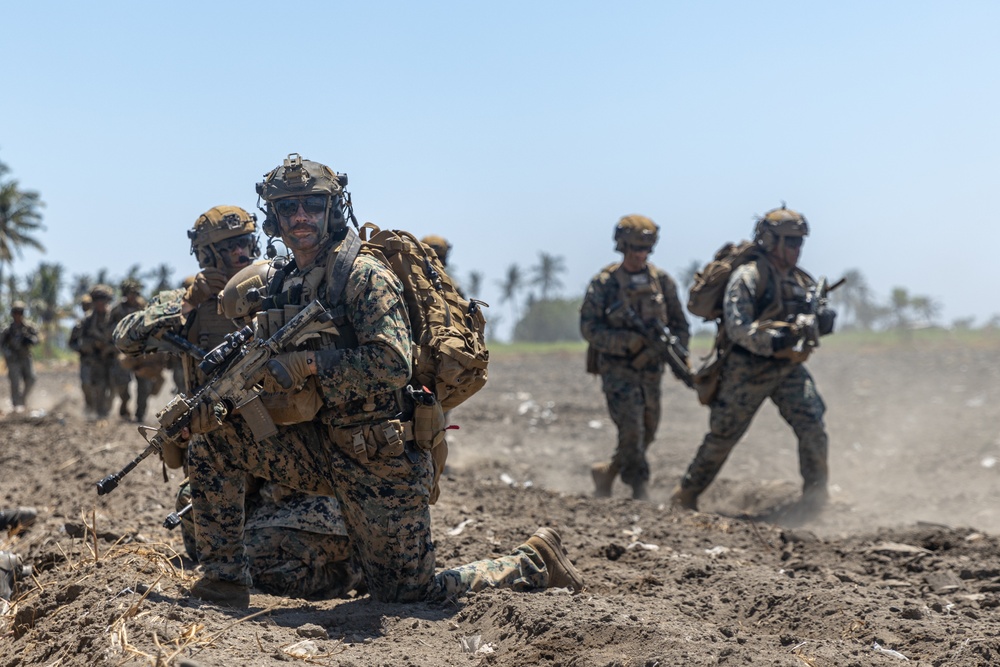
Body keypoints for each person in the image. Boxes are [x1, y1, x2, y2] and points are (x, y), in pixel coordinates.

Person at [174, 154, 582, 608]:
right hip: (319, 447)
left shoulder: (364, 275)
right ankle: (224, 581)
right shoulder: (285, 280)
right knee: (214, 437)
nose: (301, 217)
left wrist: (310, 364)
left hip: (379, 457)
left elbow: (391, 363)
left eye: (312, 204)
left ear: (333, 208)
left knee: (411, 596)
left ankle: (532, 562)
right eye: (288, 208)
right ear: (274, 216)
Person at [114, 204, 361, 599]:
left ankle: (353, 568)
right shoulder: (185, 302)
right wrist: (188, 306)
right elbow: (125, 337)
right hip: (226, 460)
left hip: (288, 460)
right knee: (195, 519)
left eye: (247, 243)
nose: (244, 255)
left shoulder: (280, 285)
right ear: (207, 256)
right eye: (231, 249)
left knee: (267, 559)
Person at [671, 205, 834, 512]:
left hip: (788, 366)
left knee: (812, 425)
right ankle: (686, 493)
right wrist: (777, 338)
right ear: (770, 241)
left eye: (800, 242)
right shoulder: (748, 276)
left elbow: (809, 323)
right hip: (747, 369)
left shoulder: (800, 280)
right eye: (790, 241)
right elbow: (738, 327)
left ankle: (815, 499)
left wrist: (821, 324)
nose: (796, 249)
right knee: (723, 435)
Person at [580, 215, 691, 500]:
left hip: (651, 370)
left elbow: (680, 324)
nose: (640, 255)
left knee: (648, 432)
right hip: (617, 370)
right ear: (622, 247)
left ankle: (607, 472)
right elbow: (589, 328)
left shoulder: (661, 282)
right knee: (631, 430)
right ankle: (640, 488)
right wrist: (627, 342)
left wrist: (677, 350)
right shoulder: (605, 283)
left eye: (646, 249)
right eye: (635, 249)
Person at [109, 279, 151, 421]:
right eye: (129, 293)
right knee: (122, 383)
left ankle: (140, 414)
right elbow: (109, 329)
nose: (132, 296)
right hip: (123, 352)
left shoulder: (144, 307)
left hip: (141, 352)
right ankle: (124, 406)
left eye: (134, 293)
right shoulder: (117, 309)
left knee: (144, 385)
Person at [77, 285, 118, 421]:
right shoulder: (86, 322)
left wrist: (110, 348)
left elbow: (122, 340)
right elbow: (75, 342)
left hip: (112, 359)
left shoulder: (114, 319)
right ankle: (98, 412)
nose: (100, 303)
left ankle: (106, 410)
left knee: (114, 387)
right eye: (97, 300)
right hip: (94, 360)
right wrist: (89, 346)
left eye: (103, 299)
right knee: (95, 387)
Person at [1, 301, 39, 414]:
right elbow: (1, 344)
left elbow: (37, 339)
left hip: (25, 357)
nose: (18, 315)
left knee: (31, 379)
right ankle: (17, 405)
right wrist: (7, 353)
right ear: (12, 314)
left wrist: (30, 339)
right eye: (15, 312)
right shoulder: (7, 330)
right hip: (13, 359)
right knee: (15, 382)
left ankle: (22, 399)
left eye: (20, 312)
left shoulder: (29, 327)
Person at [68, 294, 96, 417]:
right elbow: (71, 342)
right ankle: (89, 406)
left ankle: (101, 408)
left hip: (102, 360)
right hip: (86, 359)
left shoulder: (103, 320)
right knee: (86, 384)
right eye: (85, 306)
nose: (87, 308)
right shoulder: (80, 324)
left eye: (88, 305)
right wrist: (81, 349)